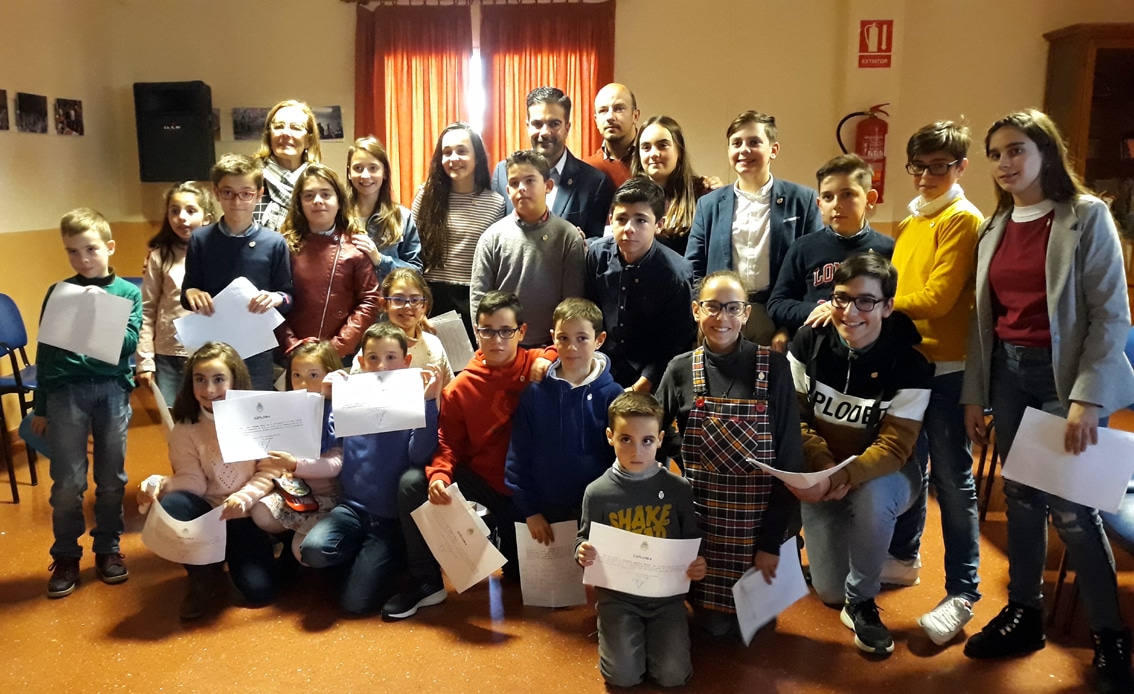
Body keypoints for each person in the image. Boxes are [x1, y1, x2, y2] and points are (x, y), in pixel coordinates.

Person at [960, 109, 1134, 693]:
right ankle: (1025, 614)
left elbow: (1111, 316)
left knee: (1074, 511)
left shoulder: (1087, 217)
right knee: (1021, 498)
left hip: (1067, 381)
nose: (1005, 163)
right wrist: (976, 396)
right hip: (1009, 374)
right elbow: (985, 322)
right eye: (996, 154)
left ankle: (1110, 636)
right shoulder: (996, 225)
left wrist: (1088, 399)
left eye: (1016, 150)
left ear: (1046, 153)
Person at [787, 253, 933, 656]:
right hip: (824, 471)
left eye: (865, 301)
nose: (851, 312)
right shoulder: (808, 343)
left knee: (871, 500)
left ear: (887, 306)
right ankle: (851, 567)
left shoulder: (911, 365)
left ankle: (864, 601)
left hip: (886, 477)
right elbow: (793, 419)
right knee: (829, 590)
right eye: (841, 298)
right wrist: (822, 467)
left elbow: (895, 446)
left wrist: (844, 477)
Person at [880, 121, 984, 645]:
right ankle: (903, 557)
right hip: (912, 366)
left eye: (938, 166)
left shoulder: (962, 220)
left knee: (952, 480)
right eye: (917, 166)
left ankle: (964, 590)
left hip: (948, 370)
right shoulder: (915, 220)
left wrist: (879, 306)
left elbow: (939, 298)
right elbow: (900, 286)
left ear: (961, 167)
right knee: (910, 468)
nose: (924, 176)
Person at [656, 270, 803, 636]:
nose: (722, 318)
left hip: (760, 526)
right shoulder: (679, 369)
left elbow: (790, 461)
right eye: (712, 307)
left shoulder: (775, 366)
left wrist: (772, 541)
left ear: (746, 313)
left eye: (733, 308)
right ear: (696, 311)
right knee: (714, 630)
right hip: (703, 527)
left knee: (756, 630)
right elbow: (651, 435)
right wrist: (680, 456)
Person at [32, 208, 143, 599]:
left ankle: (108, 548)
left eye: (91, 249)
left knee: (111, 479)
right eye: (73, 252)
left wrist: (97, 310)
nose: (83, 259)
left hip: (112, 392)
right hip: (65, 395)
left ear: (109, 247)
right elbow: (47, 352)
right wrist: (41, 405)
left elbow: (127, 345)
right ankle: (65, 555)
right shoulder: (59, 292)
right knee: (68, 483)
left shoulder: (128, 292)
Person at [300, 323, 443, 616]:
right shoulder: (351, 396)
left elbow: (420, 455)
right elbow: (324, 442)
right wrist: (326, 400)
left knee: (354, 604)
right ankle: (365, 559)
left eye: (391, 358)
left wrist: (429, 402)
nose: (381, 365)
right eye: (373, 358)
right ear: (361, 362)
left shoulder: (413, 399)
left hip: (389, 521)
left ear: (406, 362)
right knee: (312, 550)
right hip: (351, 509)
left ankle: (390, 559)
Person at [137, 342, 281, 620]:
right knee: (174, 503)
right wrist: (158, 485)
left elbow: (269, 470)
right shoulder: (186, 428)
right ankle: (202, 571)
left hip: (245, 513)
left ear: (234, 379)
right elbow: (193, 483)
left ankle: (248, 551)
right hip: (208, 516)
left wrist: (244, 498)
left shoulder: (257, 417)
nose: (209, 390)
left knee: (260, 591)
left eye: (219, 380)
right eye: (200, 380)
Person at [575, 391, 706, 688]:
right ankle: (616, 634)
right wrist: (582, 553)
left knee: (673, 676)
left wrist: (698, 564)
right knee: (622, 677)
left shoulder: (678, 489)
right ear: (610, 436)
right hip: (618, 599)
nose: (637, 451)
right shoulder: (597, 493)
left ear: (660, 439)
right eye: (626, 440)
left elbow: (692, 539)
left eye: (647, 441)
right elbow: (583, 539)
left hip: (667, 598)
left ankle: (659, 639)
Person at [423, 292, 554, 578]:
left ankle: (500, 529)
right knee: (416, 483)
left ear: (521, 332)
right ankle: (428, 577)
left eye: (506, 331)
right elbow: (448, 442)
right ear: (477, 332)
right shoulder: (459, 388)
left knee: (523, 577)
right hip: (488, 483)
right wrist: (439, 475)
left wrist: (549, 356)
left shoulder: (537, 365)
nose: (496, 340)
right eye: (487, 331)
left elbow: (567, 351)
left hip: (530, 487)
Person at [685, 111, 823, 349]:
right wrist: (706, 314)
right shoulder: (709, 204)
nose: (744, 150)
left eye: (754, 142)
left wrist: (787, 327)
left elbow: (812, 271)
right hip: (722, 316)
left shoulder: (802, 200)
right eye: (736, 143)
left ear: (774, 149)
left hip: (776, 320)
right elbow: (694, 267)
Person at [505, 298, 623, 545]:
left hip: (598, 510)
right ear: (552, 338)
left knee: (598, 580)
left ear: (599, 340)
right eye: (563, 338)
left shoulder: (613, 396)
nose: (572, 347)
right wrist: (530, 510)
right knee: (548, 582)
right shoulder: (535, 393)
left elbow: (621, 459)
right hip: (546, 509)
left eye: (582, 338)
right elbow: (518, 456)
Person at [181, 154, 293, 391]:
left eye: (246, 193)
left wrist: (277, 298)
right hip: (212, 348)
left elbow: (288, 296)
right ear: (216, 192)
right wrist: (192, 293)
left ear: (259, 194)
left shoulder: (273, 242)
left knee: (254, 415)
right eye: (228, 192)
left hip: (256, 350)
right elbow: (188, 292)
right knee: (214, 413)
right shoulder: (200, 239)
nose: (237, 201)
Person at [585, 177, 695, 392]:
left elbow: (674, 344)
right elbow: (589, 312)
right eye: (622, 219)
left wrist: (643, 385)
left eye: (641, 220)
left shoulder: (676, 273)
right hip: (599, 361)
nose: (629, 228)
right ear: (611, 220)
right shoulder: (597, 255)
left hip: (650, 373)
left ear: (658, 225)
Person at [766, 154, 893, 336]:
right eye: (828, 197)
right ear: (819, 204)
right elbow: (777, 304)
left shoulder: (888, 250)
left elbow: (894, 305)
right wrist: (814, 310)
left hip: (868, 350)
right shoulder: (803, 248)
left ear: (870, 199)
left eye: (847, 194)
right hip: (814, 347)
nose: (836, 204)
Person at [471, 149, 586, 348]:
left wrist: (555, 350)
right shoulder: (492, 237)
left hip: (549, 348)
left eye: (530, 181)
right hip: (502, 346)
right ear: (507, 191)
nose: (521, 188)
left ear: (548, 186)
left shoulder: (567, 236)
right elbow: (478, 299)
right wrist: (486, 345)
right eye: (514, 183)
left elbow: (571, 305)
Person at [276, 163, 381, 360]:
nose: (317, 201)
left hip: (340, 356)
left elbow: (370, 300)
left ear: (339, 201)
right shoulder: (282, 246)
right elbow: (272, 299)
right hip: (289, 355)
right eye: (309, 195)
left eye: (326, 194)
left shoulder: (356, 247)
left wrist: (336, 348)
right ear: (299, 203)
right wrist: (291, 344)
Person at [414, 122, 507, 342]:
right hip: (429, 299)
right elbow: (413, 254)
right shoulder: (425, 196)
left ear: (477, 157)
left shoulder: (496, 203)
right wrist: (417, 306)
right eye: (447, 152)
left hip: (471, 300)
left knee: (464, 372)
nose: (453, 158)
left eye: (462, 151)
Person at [250, 340, 343, 562]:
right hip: (294, 490)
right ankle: (291, 535)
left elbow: (336, 463)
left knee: (302, 553)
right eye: (296, 375)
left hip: (329, 495)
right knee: (260, 512)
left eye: (313, 375)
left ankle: (306, 542)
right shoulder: (286, 409)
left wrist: (295, 464)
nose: (302, 384)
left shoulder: (338, 412)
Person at [491, 86, 614, 238]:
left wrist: (581, 244)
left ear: (567, 128)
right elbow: (494, 233)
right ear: (528, 126)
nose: (545, 133)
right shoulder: (503, 172)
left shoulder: (594, 182)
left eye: (554, 124)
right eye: (537, 124)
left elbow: (598, 243)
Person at [136, 181, 219, 406]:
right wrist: (145, 360)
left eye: (191, 211)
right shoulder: (160, 255)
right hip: (169, 354)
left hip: (211, 353)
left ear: (207, 217)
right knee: (174, 420)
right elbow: (146, 310)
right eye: (175, 211)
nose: (182, 217)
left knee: (211, 419)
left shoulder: (219, 253)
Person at [349, 268, 454, 387]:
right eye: (398, 299)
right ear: (384, 304)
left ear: (424, 306)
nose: (408, 306)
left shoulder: (433, 343)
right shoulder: (372, 348)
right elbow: (356, 394)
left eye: (415, 300)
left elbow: (449, 389)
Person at [628, 115, 715, 257]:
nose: (654, 154)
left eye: (662, 145)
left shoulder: (702, 194)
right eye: (646, 147)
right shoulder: (629, 195)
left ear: (679, 152)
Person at [345, 136, 422, 282]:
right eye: (358, 168)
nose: (365, 175)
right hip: (347, 302)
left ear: (385, 172)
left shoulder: (402, 217)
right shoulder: (337, 216)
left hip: (387, 302)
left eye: (373, 168)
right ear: (349, 173)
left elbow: (416, 273)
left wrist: (379, 260)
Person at [253, 100, 322, 230]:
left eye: (296, 127)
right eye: (279, 127)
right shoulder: (249, 180)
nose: (285, 133)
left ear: (308, 140)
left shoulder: (322, 183)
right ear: (269, 136)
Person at [584, 82, 640, 188]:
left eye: (619, 109)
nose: (610, 117)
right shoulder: (586, 169)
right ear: (596, 120)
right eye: (603, 111)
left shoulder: (652, 162)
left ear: (635, 116)